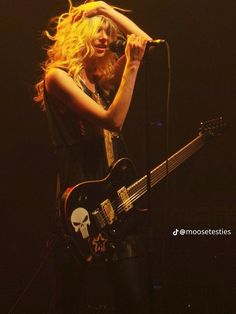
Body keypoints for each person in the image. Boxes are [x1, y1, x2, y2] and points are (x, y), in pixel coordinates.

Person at [34, 1, 152, 313]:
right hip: (78, 204)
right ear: (79, 35)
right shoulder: (57, 78)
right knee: (67, 300)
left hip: (112, 204)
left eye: (107, 33)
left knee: (133, 301)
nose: (104, 37)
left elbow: (148, 44)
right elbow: (113, 120)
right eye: (96, 30)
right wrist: (133, 65)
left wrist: (106, 10)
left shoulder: (97, 81)